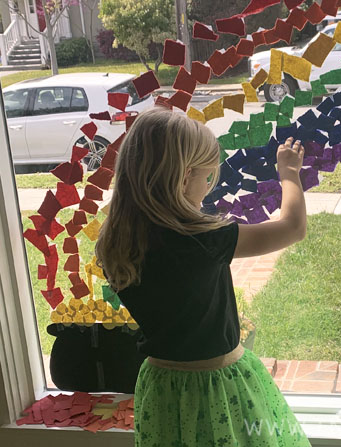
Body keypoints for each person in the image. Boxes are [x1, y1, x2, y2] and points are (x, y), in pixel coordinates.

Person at [95, 107, 310, 446]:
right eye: (208, 178)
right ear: (182, 178)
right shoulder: (204, 240)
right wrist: (289, 173)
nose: (209, 189)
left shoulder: (115, 244)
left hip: (161, 387)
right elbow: (293, 227)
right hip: (218, 387)